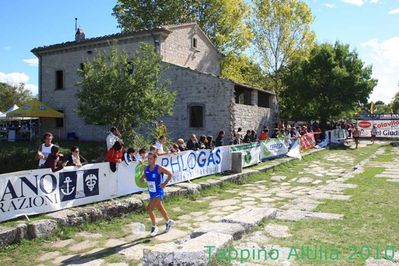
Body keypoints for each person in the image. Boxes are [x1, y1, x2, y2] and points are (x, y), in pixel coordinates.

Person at [141, 152, 174, 236]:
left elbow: (170, 174)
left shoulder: (159, 168)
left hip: (158, 192)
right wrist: (142, 179)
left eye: (150, 158)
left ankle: (154, 227)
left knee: (149, 209)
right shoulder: (146, 168)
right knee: (160, 208)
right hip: (151, 192)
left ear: (155, 159)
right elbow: (144, 177)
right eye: (148, 158)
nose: (149, 160)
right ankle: (168, 222)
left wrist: (165, 183)